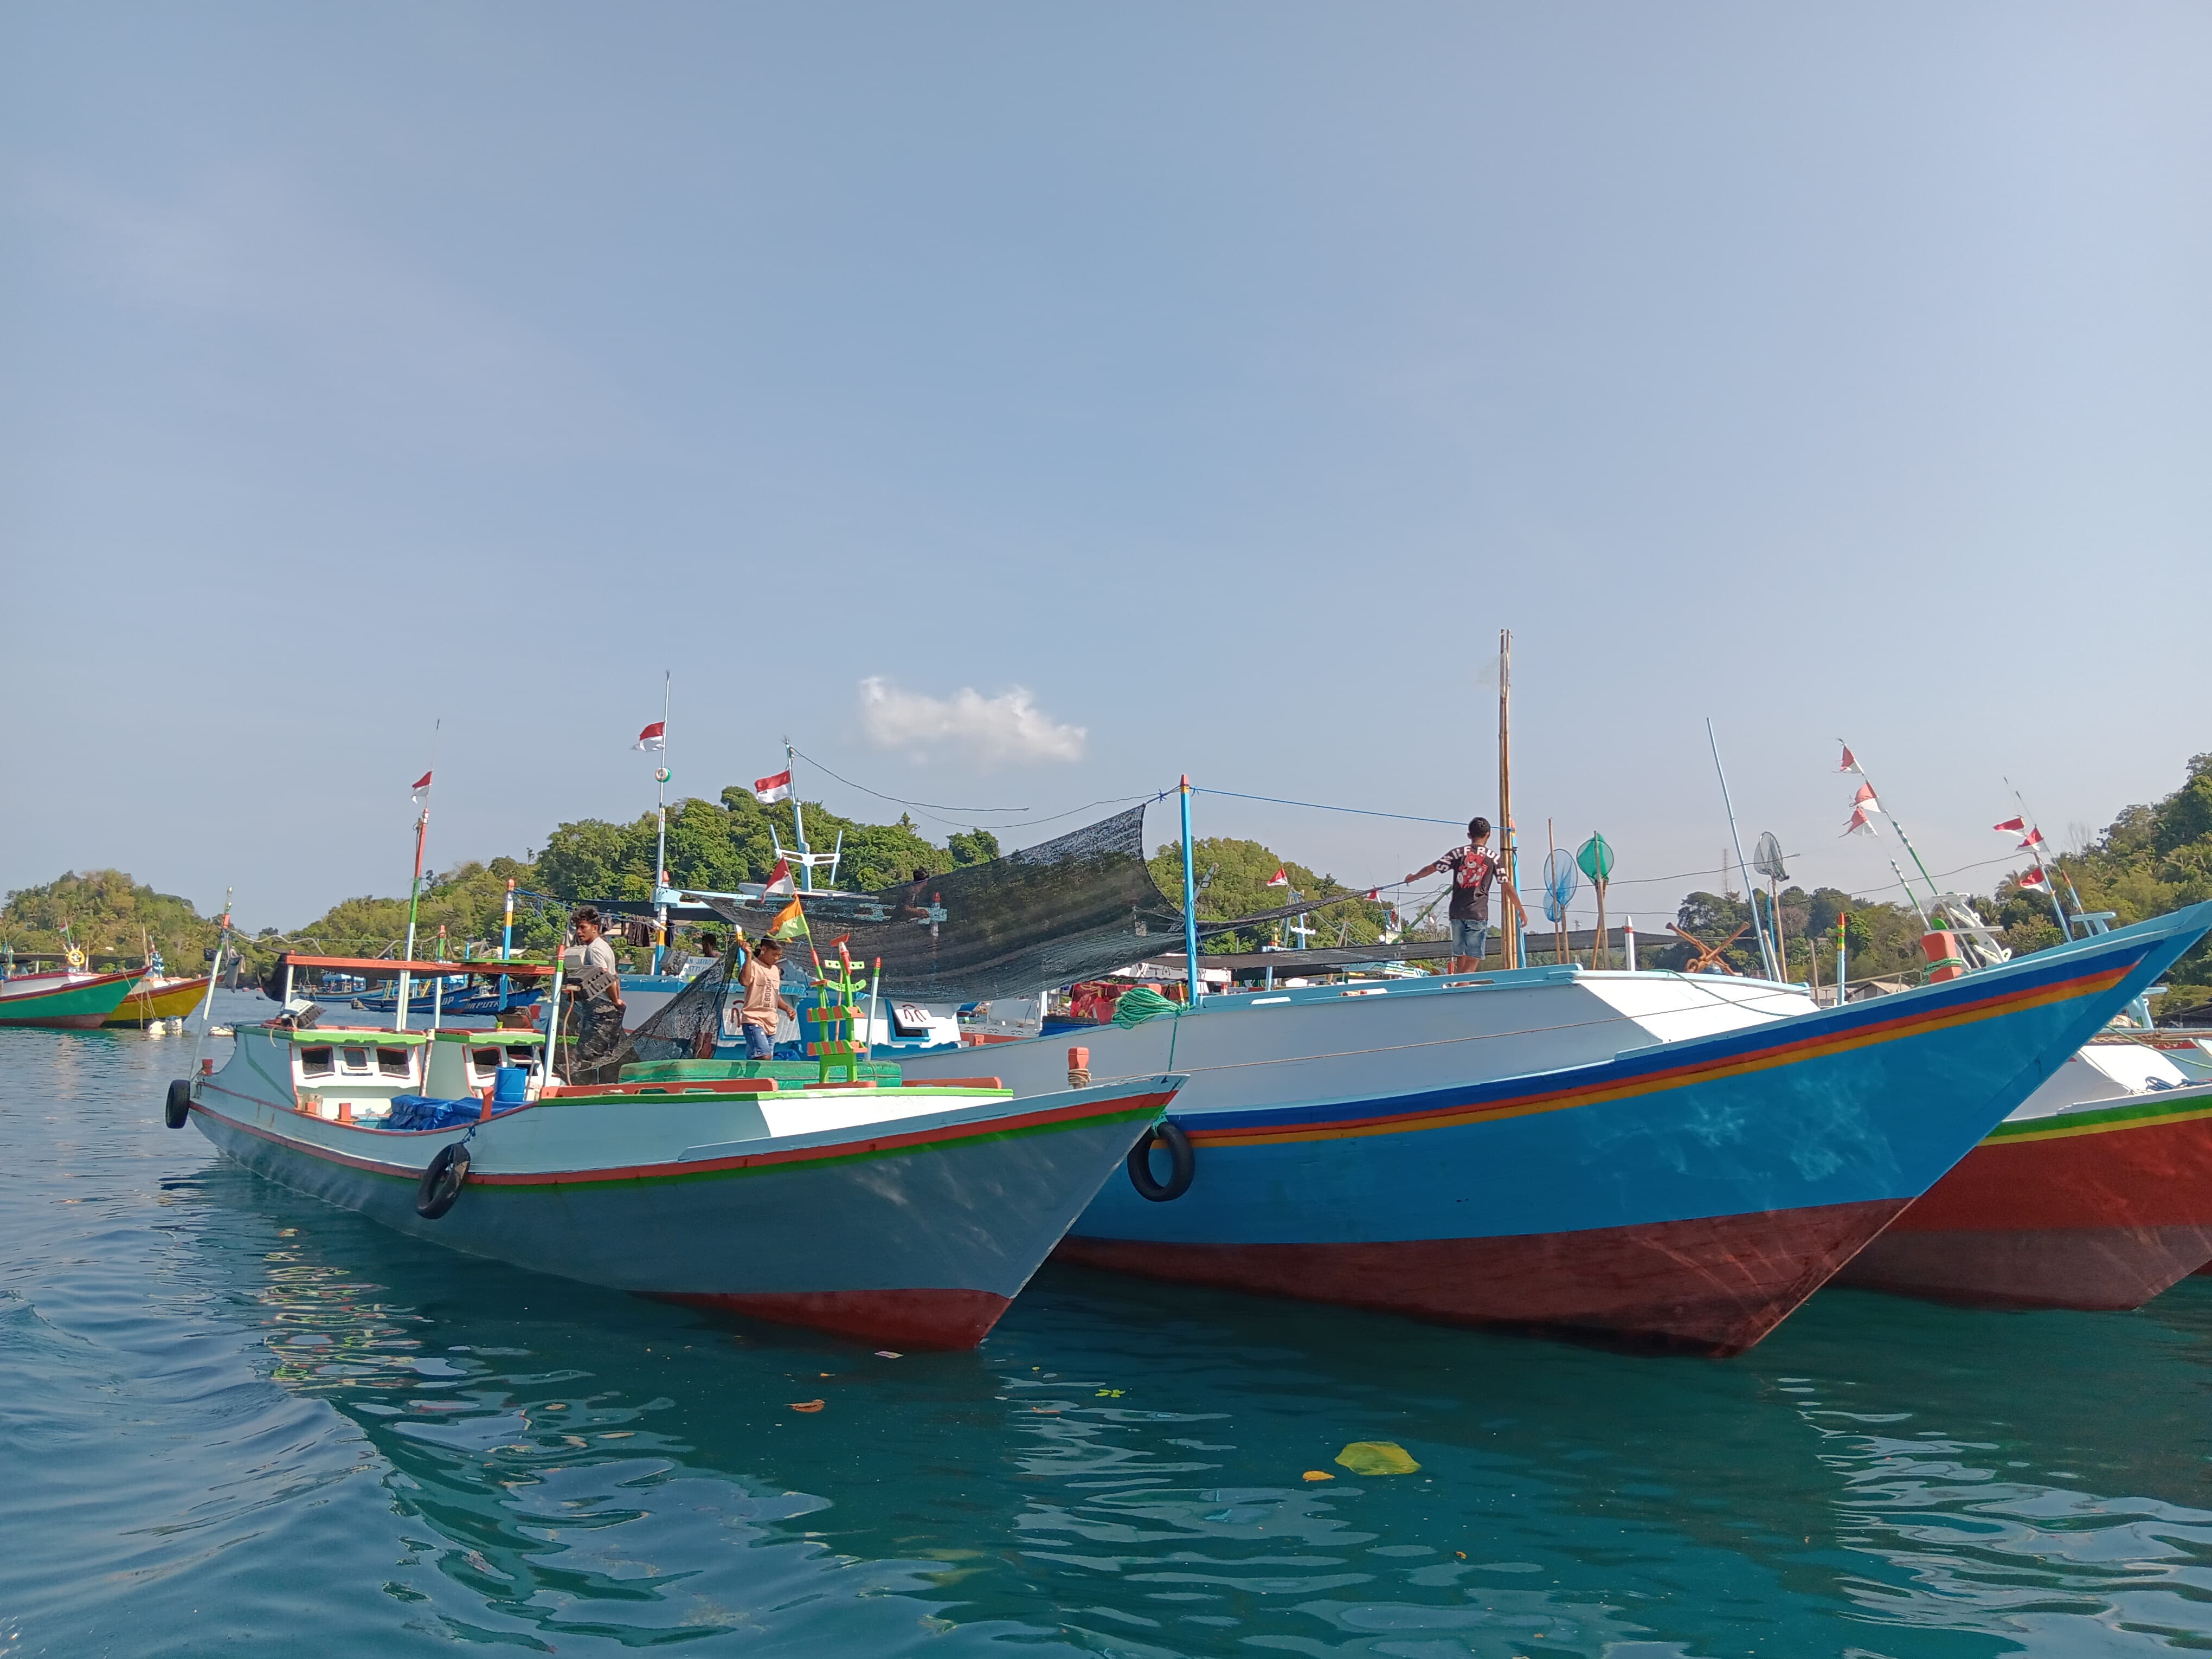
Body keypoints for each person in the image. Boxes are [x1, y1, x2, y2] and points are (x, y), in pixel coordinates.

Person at [1406, 816, 1528, 973]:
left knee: (1461, 956)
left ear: (1469, 835)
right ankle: (1463, 987)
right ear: (1488, 835)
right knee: (1473, 957)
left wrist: (1414, 877)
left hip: (1457, 912)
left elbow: (1432, 868)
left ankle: (1458, 985)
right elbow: (1507, 886)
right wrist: (1521, 910)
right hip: (1478, 913)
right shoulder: (1494, 858)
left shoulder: (1457, 853)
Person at [561, 906, 627, 1064]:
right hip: (606, 1009)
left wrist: (615, 1000)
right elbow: (615, 976)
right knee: (603, 1054)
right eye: (577, 928)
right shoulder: (604, 946)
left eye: (583, 928)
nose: (579, 932)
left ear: (595, 928)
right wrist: (617, 999)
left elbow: (606, 977)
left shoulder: (594, 950)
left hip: (600, 1011)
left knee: (586, 1054)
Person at [737, 936, 796, 1060]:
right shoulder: (753, 965)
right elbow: (745, 981)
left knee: (759, 1061)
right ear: (763, 949)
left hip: (771, 1024)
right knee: (765, 1056)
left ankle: (751, 1080)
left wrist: (787, 1008)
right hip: (754, 1020)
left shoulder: (775, 970)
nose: (777, 958)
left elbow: (775, 994)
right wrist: (748, 955)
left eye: (779, 955)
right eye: (774, 954)